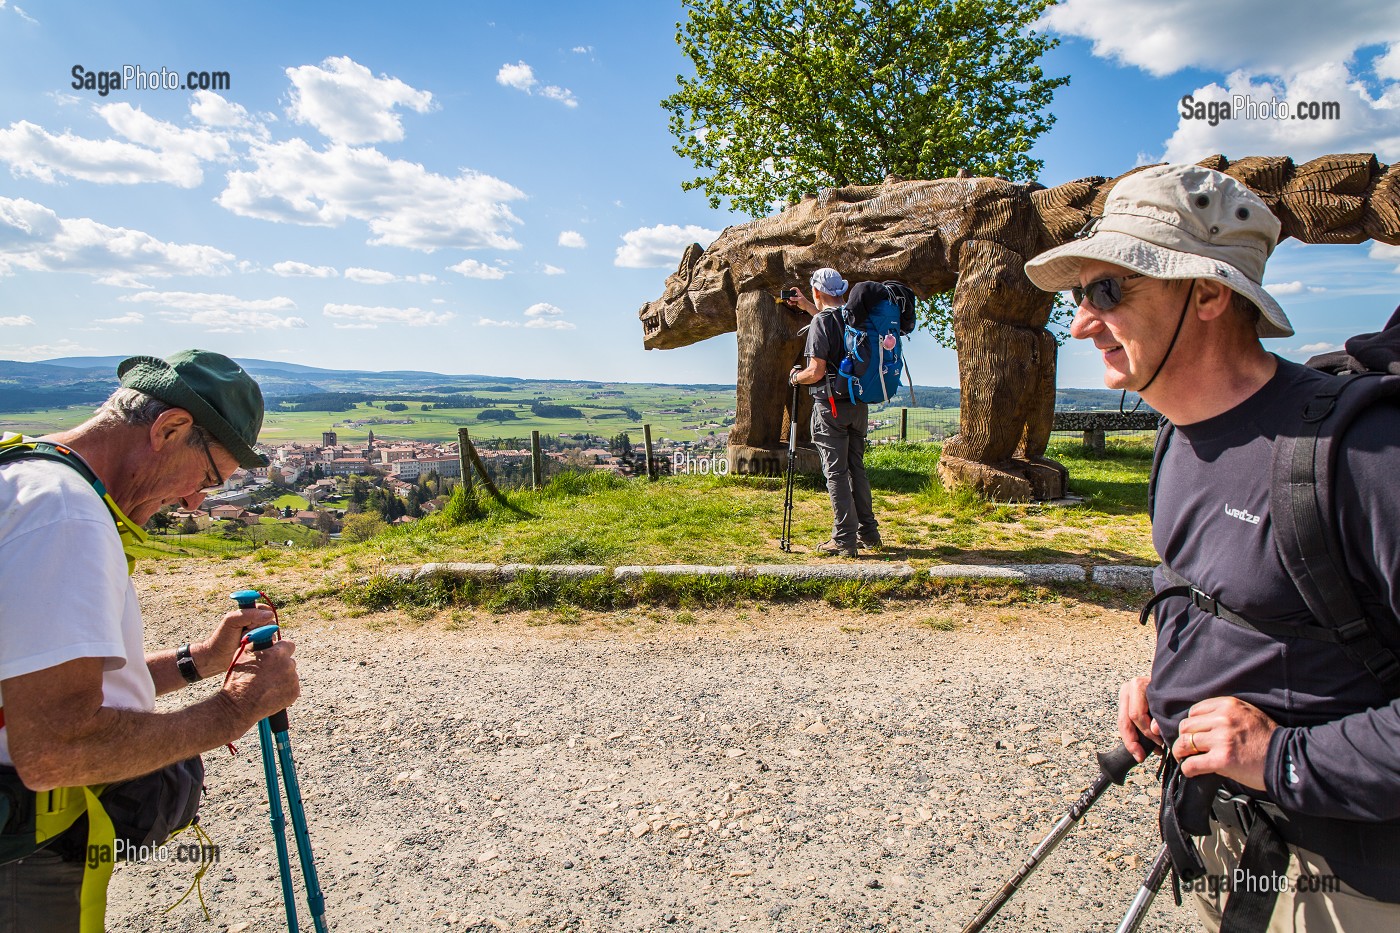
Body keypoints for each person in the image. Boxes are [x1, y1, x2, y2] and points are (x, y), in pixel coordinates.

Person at [1025, 164, 1400, 930]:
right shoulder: (1178, 438)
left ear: (1207, 293)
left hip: (1346, 882)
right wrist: (1169, 681)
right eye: (1077, 295)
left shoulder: (1363, 454)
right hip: (1225, 854)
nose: (1082, 324)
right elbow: (1220, 592)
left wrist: (1281, 756)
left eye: (1109, 291)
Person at [0, 350, 301, 931]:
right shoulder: (65, 516)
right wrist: (236, 709)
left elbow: (37, 678)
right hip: (24, 857)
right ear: (169, 428)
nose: (194, 502)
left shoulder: (23, 474)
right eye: (208, 478)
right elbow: (55, 747)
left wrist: (201, 662)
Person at [785, 267, 880, 557]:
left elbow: (815, 372)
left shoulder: (820, 324)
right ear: (842, 291)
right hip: (858, 406)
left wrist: (795, 377)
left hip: (831, 407)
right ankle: (869, 534)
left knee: (836, 473)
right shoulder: (854, 316)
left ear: (816, 291)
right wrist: (807, 307)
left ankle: (843, 539)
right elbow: (830, 322)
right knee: (856, 469)